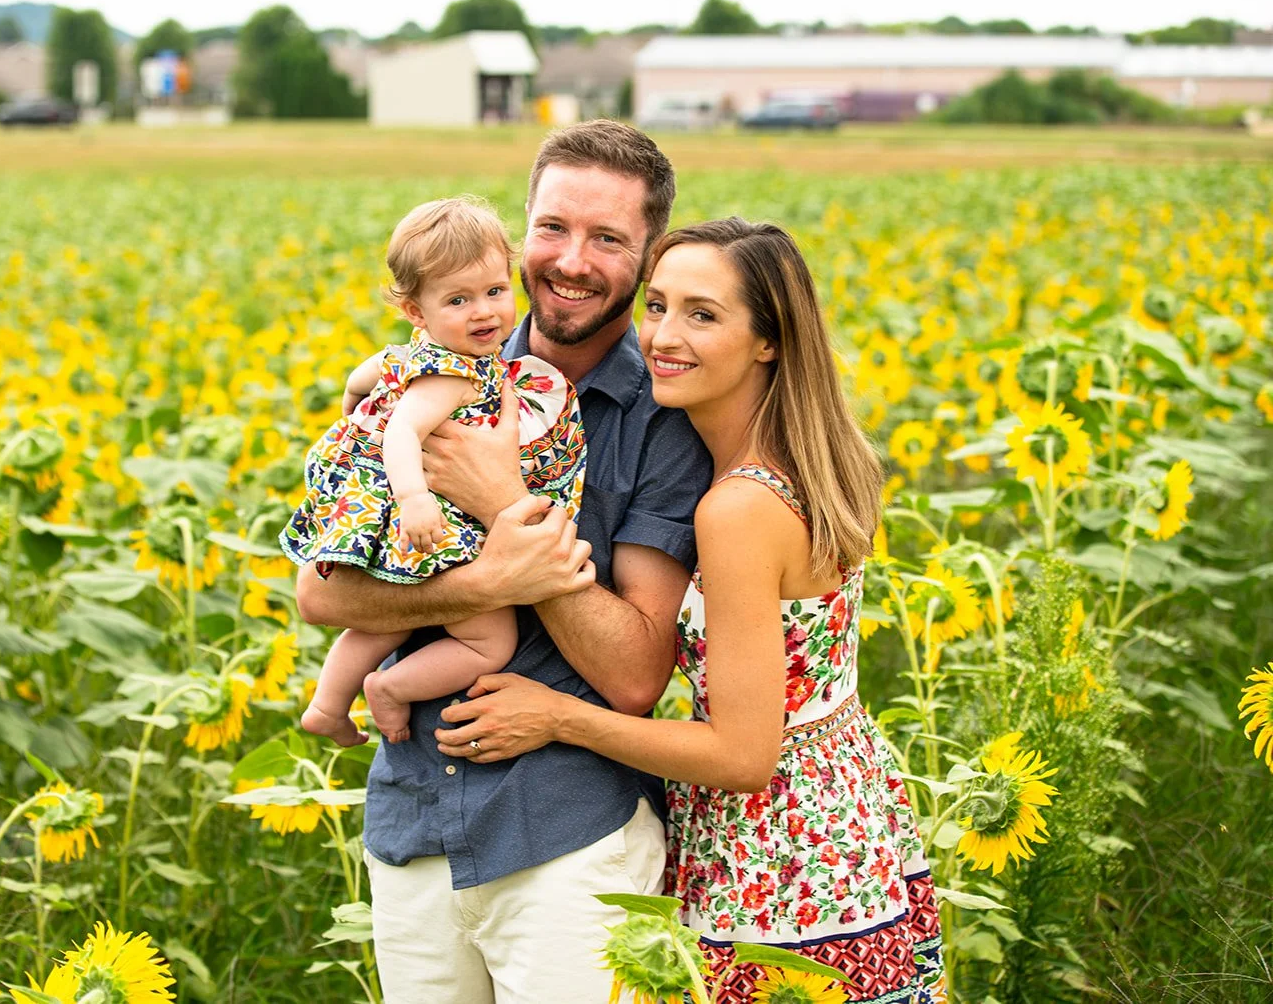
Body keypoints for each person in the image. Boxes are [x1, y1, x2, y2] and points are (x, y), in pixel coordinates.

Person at [437, 219, 949, 1003]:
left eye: (702, 315)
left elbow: (745, 754)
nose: (664, 337)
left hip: (779, 859)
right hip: (847, 825)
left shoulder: (737, 510)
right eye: (658, 306)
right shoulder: (810, 459)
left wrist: (557, 717)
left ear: (768, 341)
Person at [295, 120, 711, 1002]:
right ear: (522, 227)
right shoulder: (431, 370)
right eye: (553, 227)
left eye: (608, 239)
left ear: (647, 256)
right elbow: (322, 595)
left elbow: (636, 672)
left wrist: (499, 501)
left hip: (567, 832)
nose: (571, 260)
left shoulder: (666, 420)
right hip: (413, 822)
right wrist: (490, 582)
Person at [280, 196, 585, 746]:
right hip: (433, 521)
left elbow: (362, 376)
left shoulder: (414, 352)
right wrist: (416, 499)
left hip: (399, 519)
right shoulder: (456, 373)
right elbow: (402, 432)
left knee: (384, 619)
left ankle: (327, 704)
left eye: (495, 292)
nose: (484, 312)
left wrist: (354, 407)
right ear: (417, 312)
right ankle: (392, 689)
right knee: (488, 643)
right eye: (459, 300)